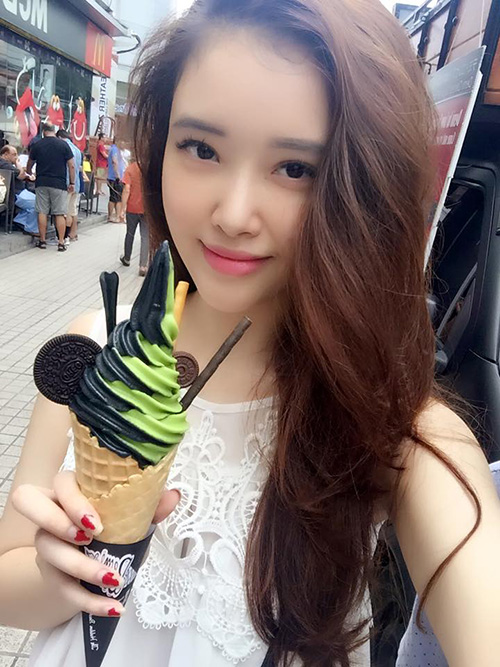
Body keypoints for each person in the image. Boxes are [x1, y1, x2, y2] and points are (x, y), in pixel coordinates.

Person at [2, 2, 500, 666]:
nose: (234, 215)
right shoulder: (94, 346)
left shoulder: (387, 422)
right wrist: (60, 571)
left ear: (360, 190)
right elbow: (7, 586)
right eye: (201, 148)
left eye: (295, 168)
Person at [26, 122, 75, 252]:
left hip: (41, 182)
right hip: (59, 184)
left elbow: (30, 162)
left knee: (42, 212)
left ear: (43, 131)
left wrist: (29, 172)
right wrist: (72, 182)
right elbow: (71, 165)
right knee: (59, 213)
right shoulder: (63, 145)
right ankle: (61, 242)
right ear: (54, 130)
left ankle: (42, 241)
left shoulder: (37, 145)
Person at [119, 154, 149, 276]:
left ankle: (127, 258)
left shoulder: (131, 169)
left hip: (132, 208)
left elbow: (127, 189)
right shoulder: (149, 170)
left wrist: (122, 209)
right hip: (147, 209)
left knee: (130, 233)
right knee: (145, 236)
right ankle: (143, 265)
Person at [56, 129, 83, 244]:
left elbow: (69, 166)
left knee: (64, 212)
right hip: (76, 184)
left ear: (59, 137)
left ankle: (63, 237)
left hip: (67, 184)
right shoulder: (77, 150)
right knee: (71, 211)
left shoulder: (64, 148)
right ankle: (68, 236)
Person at [107, 137, 125, 223]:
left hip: (113, 177)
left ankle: (111, 215)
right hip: (115, 178)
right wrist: (118, 175)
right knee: (117, 198)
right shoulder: (114, 149)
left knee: (113, 198)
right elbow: (114, 161)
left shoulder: (114, 149)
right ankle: (117, 216)